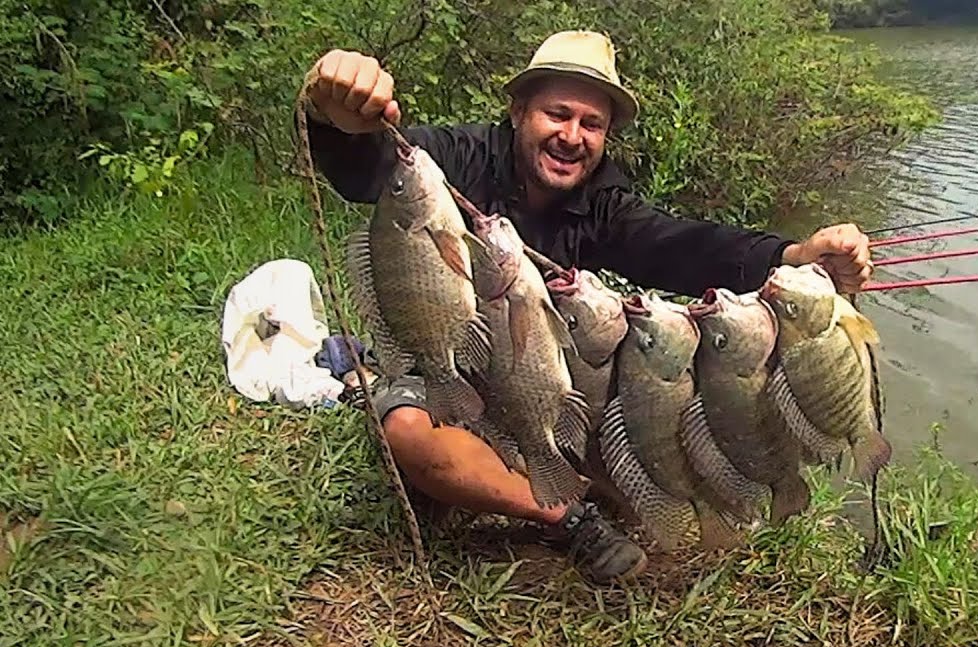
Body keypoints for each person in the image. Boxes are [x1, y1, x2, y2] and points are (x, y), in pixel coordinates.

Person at [302, 30, 876, 585]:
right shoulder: (452, 158)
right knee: (408, 432)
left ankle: (565, 477)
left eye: (591, 124)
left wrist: (792, 255)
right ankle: (566, 518)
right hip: (448, 366)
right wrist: (336, 116)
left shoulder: (602, 201)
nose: (572, 136)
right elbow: (367, 169)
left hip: (539, 381)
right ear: (519, 110)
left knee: (653, 416)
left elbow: (679, 245)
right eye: (557, 114)